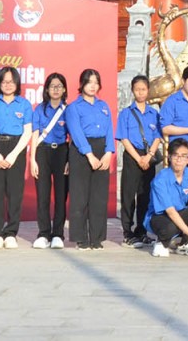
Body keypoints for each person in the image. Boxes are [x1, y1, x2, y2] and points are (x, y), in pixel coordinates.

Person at [0, 66, 34, 248]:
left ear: (17, 83)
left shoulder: (24, 104)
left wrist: (13, 155)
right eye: (4, 82)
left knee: (15, 193)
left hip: (16, 148)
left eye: (11, 82)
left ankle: (11, 232)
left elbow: (27, 132)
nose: (8, 85)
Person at [68, 68, 116, 250]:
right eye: (89, 82)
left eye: (96, 82)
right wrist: (89, 154)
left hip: (102, 150)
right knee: (80, 197)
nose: (93, 86)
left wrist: (108, 152)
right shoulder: (74, 107)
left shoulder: (103, 106)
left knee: (99, 197)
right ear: (82, 84)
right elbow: (76, 132)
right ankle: (81, 238)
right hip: (81, 152)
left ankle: (97, 238)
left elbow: (109, 130)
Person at [119, 74, 164, 248]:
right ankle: (127, 232)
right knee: (128, 195)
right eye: (137, 89)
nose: (140, 92)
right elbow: (123, 138)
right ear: (132, 91)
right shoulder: (126, 113)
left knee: (145, 195)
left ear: (148, 90)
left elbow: (158, 136)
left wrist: (149, 155)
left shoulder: (154, 113)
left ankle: (142, 231)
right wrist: (138, 158)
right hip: (132, 156)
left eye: (143, 89)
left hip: (149, 156)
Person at [29, 72, 71, 249]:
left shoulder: (68, 110)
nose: (56, 89)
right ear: (46, 89)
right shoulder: (40, 109)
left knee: (61, 196)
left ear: (64, 89)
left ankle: (58, 234)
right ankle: (43, 234)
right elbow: (34, 134)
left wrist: (69, 160)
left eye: (59, 86)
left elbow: (72, 136)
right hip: (42, 151)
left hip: (62, 152)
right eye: (52, 86)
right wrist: (32, 159)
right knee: (43, 195)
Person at [148, 140, 188, 257]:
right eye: (175, 155)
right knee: (169, 226)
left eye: (183, 156)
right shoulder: (160, 180)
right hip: (161, 216)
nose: (179, 160)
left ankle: (185, 244)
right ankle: (161, 242)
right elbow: (170, 211)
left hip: (181, 211)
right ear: (169, 157)